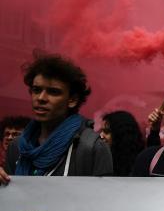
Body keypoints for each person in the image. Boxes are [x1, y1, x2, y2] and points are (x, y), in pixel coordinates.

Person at [0, 54, 112, 183]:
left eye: (53, 92)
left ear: (72, 100)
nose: (41, 98)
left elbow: (102, 199)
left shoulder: (92, 148)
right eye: (36, 90)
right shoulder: (18, 146)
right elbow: (9, 200)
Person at [100, 111, 145, 177]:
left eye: (106, 132)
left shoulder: (139, 164)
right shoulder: (102, 158)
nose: (101, 135)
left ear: (120, 135)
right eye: (101, 131)